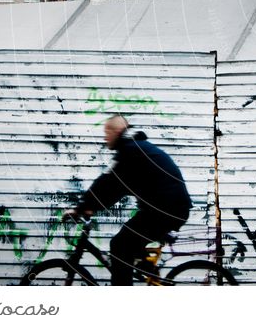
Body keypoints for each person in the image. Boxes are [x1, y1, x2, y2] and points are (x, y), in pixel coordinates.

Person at [65, 115, 191, 285]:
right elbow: (116, 189)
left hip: (165, 211)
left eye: (107, 132)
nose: (104, 137)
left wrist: (81, 208)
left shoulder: (130, 150)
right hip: (169, 209)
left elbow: (107, 182)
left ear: (117, 131)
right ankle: (146, 267)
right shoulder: (136, 148)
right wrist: (91, 207)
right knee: (129, 245)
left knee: (119, 246)